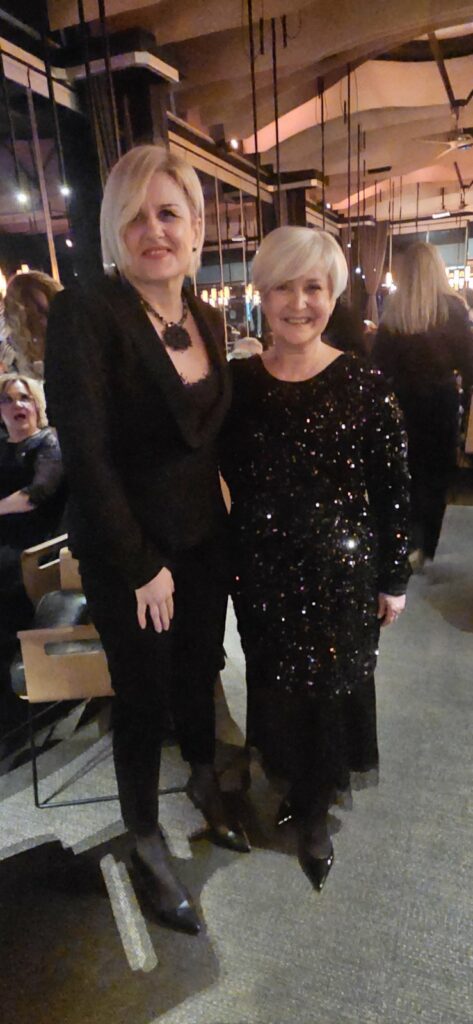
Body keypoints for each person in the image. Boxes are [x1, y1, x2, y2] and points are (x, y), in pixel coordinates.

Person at [45, 143, 249, 937]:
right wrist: (139, 565)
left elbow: (208, 441)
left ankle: (201, 778)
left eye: (168, 213)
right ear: (113, 230)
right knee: (139, 697)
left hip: (204, 539)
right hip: (128, 551)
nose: (153, 230)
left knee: (199, 671)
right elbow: (87, 452)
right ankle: (142, 836)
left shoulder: (206, 317)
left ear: (195, 226)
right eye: (135, 217)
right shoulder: (87, 313)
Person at [221, 225, 411, 892]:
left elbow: (394, 488)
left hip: (341, 575)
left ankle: (316, 809)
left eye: (313, 287)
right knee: (274, 682)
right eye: (283, 287)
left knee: (331, 690)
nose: (298, 303)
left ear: (332, 295)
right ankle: (290, 784)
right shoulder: (238, 385)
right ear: (261, 293)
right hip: (261, 572)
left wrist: (394, 577)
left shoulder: (363, 382)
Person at [372, 242, 473, 569]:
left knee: (406, 474)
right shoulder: (453, 309)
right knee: (437, 475)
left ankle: (406, 542)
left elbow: (378, 367)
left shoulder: (394, 310)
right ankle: (427, 544)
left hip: (402, 403)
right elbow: (468, 363)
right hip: (441, 402)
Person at [0, 374, 65, 733]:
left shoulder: (48, 443)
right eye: (7, 400)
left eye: (23, 398)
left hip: (33, 549)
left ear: (36, 403)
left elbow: (36, 495)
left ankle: (14, 715)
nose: (16, 406)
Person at [4, 270, 63, 379]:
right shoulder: (13, 356)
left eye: (47, 312)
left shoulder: (73, 342)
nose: (45, 321)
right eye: (35, 316)